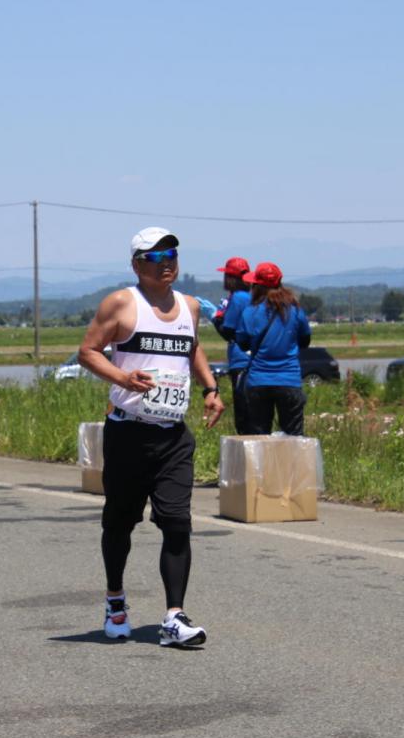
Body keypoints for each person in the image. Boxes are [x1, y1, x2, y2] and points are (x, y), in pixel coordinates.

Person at [78, 226, 224, 648]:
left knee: (177, 522)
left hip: (173, 436)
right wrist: (123, 376)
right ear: (137, 264)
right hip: (128, 434)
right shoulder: (123, 303)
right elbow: (88, 351)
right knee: (120, 523)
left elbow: (191, 346)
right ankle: (115, 600)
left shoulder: (189, 306)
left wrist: (210, 389)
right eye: (157, 258)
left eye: (173, 255)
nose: (168, 265)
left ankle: (174, 617)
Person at [234, 262, 312, 436]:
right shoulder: (295, 310)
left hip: (258, 380)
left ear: (257, 286)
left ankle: (261, 465)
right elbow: (305, 340)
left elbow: (242, 343)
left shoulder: (250, 312)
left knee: (259, 436)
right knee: (293, 437)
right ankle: (292, 464)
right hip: (289, 379)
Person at [209, 257, 253, 434]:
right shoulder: (249, 296)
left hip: (240, 360)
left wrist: (215, 318)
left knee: (243, 415)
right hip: (250, 359)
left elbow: (228, 331)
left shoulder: (237, 298)